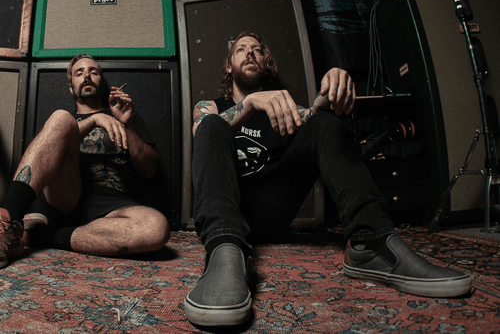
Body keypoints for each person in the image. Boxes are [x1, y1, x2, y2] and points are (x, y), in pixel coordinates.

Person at [184, 32, 472, 327]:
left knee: (324, 121)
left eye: (256, 50)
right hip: (228, 209)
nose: (249, 53)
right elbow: (200, 132)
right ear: (229, 65)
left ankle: (371, 243)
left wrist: (332, 91)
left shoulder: (286, 110)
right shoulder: (210, 106)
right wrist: (251, 103)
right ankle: (224, 248)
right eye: (241, 49)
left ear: (265, 63)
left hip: (271, 208)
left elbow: (318, 124)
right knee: (210, 125)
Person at [0, 54, 170, 268]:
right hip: (69, 199)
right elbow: (41, 166)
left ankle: (41, 236)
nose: (87, 76)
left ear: (102, 84)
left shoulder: (127, 117)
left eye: (93, 72)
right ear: (71, 88)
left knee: (156, 228)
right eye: (79, 73)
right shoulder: (61, 124)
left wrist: (127, 125)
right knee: (61, 118)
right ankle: (8, 218)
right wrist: (94, 120)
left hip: (115, 209)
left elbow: (150, 170)